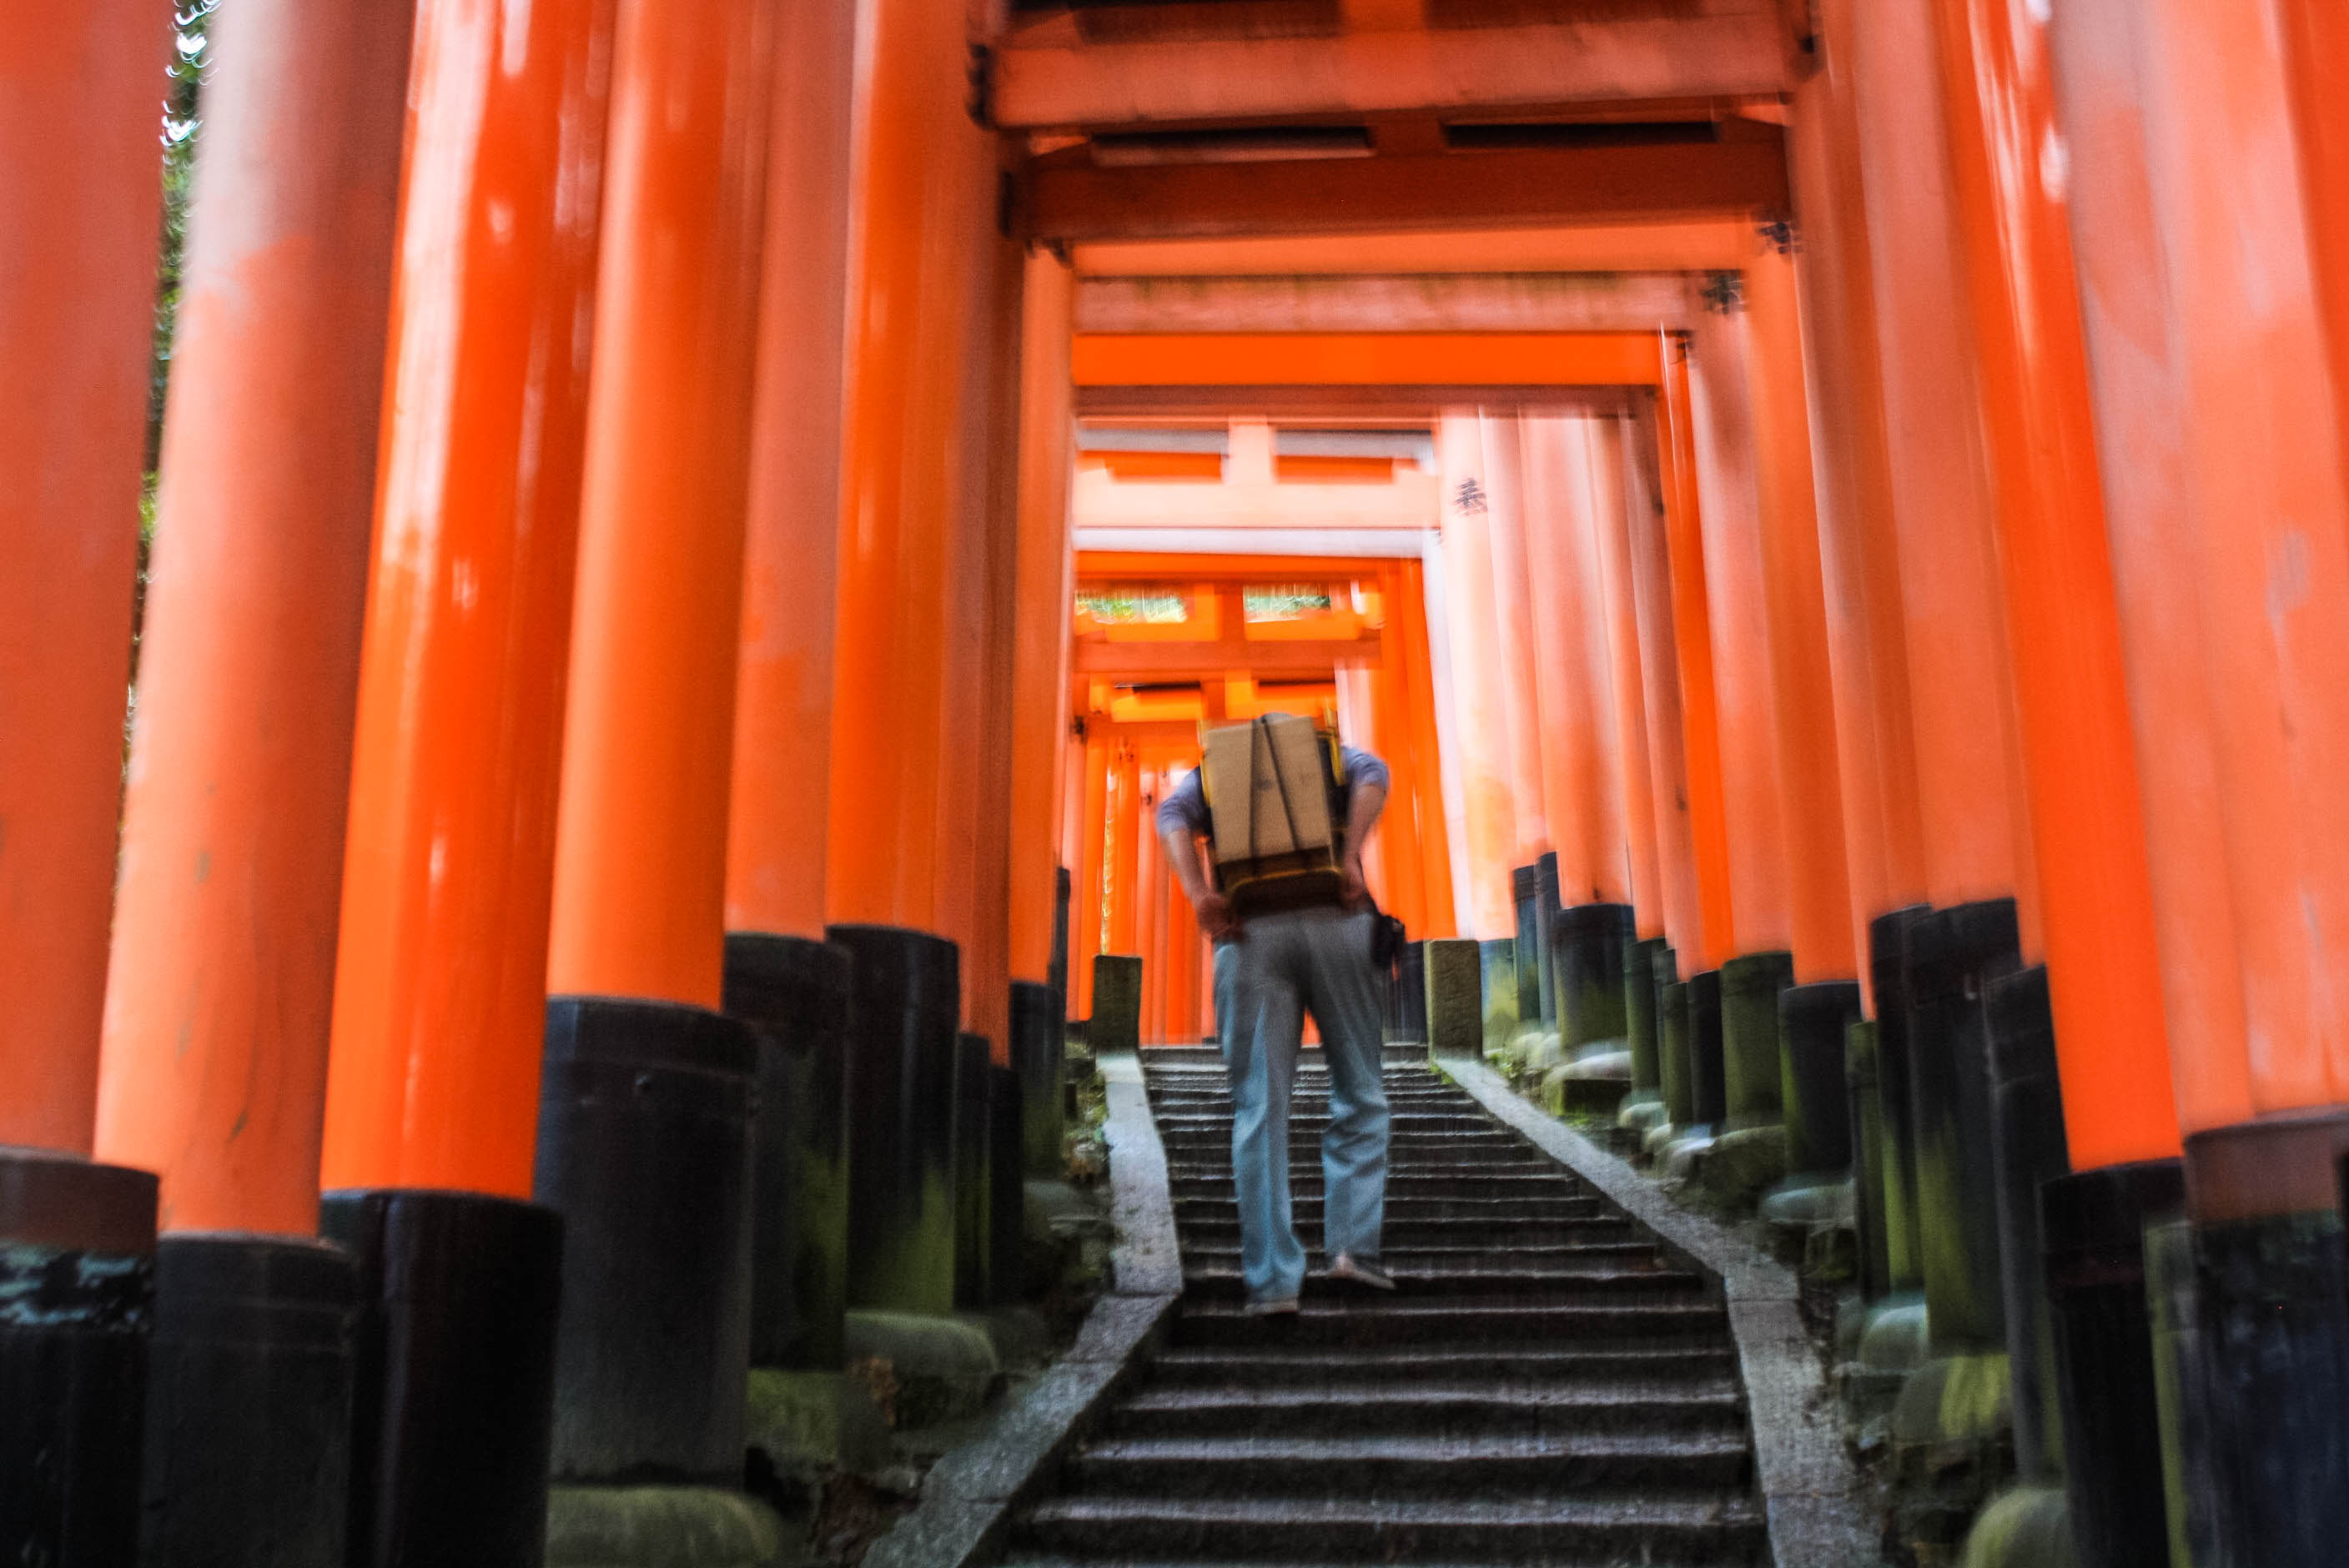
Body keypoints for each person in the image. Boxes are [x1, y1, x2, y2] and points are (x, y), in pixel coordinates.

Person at [1155, 724, 1394, 1316]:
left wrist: (1199, 895)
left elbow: (1170, 817)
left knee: (1260, 1109)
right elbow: (1377, 775)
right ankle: (1352, 1252)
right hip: (1338, 923)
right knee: (1360, 1089)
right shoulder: (1333, 755)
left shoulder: (1212, 774)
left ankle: (1272, 1284)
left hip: (1250, 933)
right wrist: (1348, 859)